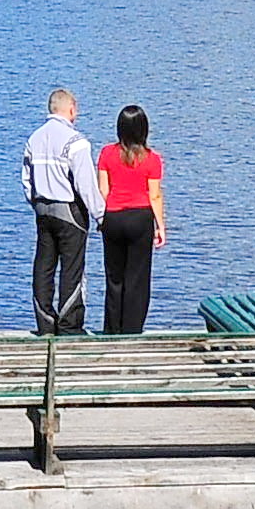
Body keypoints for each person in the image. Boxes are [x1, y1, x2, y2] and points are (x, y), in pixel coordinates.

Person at [21, 87, 100, 334]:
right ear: (71, 109)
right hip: (69, 211)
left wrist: (35, 203)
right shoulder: (76, 142)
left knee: (44, 265)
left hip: (43, 209)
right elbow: (86, 184)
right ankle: (69, 325)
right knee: (72, 269)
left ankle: (45, 322)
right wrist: (101, 214)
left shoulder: (34, 139)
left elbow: (26, 180)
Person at [96, 105, 167, 336]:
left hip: (114, 218)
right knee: (137, 277)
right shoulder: (153, 159)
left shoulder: (107, 153)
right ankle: (132, 329)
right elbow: (154, 195)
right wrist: (161, 226)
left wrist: (101, 219)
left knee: (113, 276)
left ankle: (112, 328)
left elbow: (103, 191)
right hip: (140, 219)